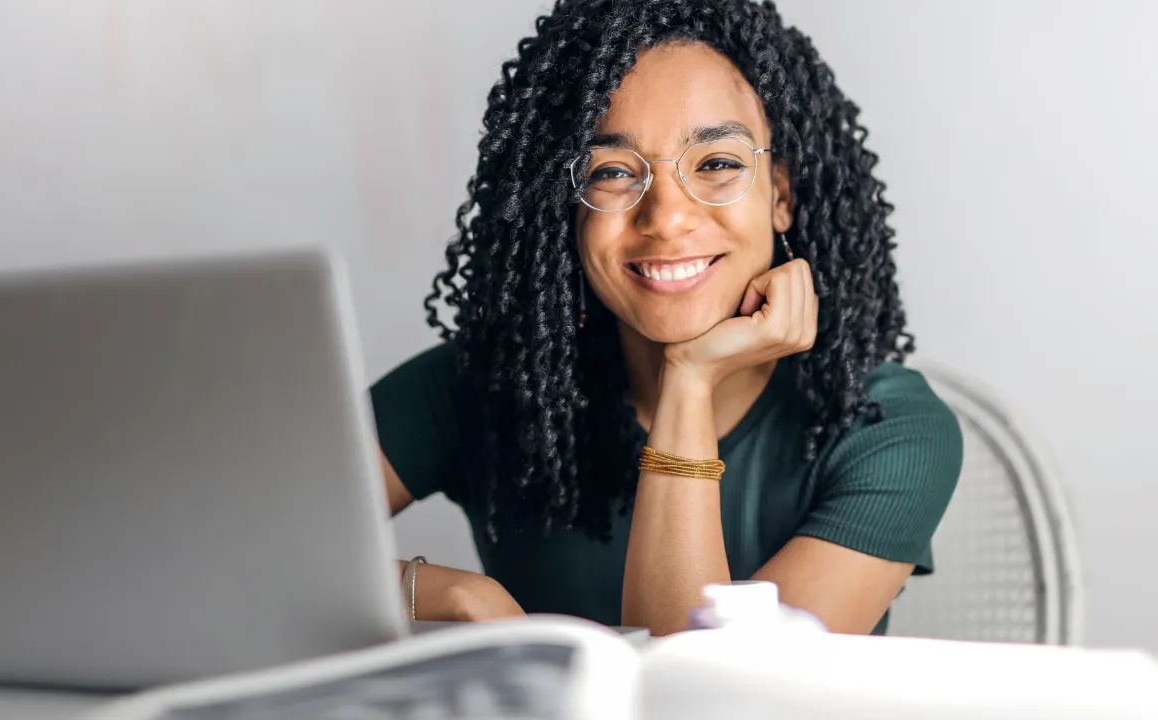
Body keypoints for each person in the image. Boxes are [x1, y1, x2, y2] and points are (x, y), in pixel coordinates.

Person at [372, 0, 963, 636]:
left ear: (781, 196)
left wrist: (688, 379)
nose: (667, 217)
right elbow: (253, 549)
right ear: (564, 209)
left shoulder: (888, 429)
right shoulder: (482, 386)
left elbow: (708, 697)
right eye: (613, 172)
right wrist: (457, 594)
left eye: (717, 164)